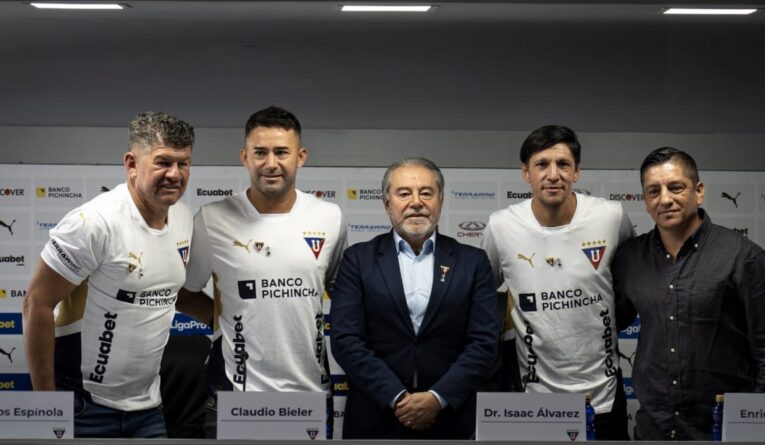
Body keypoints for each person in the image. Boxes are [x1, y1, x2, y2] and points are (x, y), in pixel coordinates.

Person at [22, 111, 197, 438]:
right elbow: (36, 304)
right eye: (162, 162)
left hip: (148, 408)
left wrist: (232, 319)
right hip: (84, 407)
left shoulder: (184, 219)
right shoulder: (94, 223)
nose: (174, 174)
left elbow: (176, 291)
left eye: (183, 163)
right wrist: (45, 408)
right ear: (132, 163)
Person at [179, 106, 347, 437]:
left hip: (309, 393)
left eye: (281, 152)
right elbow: (183, 290)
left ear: (301, 157)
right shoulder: (212, 219)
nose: (271, 163)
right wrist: (226, 321)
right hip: (234, 392)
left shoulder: (331, 217)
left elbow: (339, 291)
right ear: (245, 157)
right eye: (260, 152)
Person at [613, 147, 765, 440]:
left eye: (676, 187)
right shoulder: (629, 258)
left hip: (721, 430)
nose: (665, 199)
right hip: (654, 429)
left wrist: (760, 428)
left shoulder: (743, 257)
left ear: (698, 191)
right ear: (645, 202)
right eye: (653, 191)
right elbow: (608, 322)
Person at [481, 125, 634, 440]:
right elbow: (481, 294)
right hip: (533, 399)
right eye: (542, 164)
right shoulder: (501, 226)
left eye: (563, 164)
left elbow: (631, 286)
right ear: (526, 173)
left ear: (576, 172)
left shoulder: (612, 217)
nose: (553, 174)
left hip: (604, 395)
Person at [330, 157, 498, 439]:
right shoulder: (357, 260)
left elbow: (484, 343)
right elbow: (346, 340)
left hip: (451, 421)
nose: (416, 202)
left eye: (426, 193)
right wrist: (396, 397)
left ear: (440, 201)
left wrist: (437, 397)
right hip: (375, 419)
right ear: (386, 203)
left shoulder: (473, 262)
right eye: (404, 193)